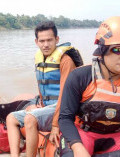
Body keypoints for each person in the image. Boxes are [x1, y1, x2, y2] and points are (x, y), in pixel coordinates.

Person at [6, 21, 83, 157]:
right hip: (48, 107)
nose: (45, 44)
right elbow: (42, 85)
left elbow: (66, 96)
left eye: (49, 40)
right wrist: (41, 105)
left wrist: (55, 125)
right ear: (36, 41)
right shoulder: (39, 58)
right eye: (42, 41)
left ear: (57, 39)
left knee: (30, 119)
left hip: (64, 110)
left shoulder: (65, 61)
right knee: (11, 118)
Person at [59, 16, 120, 157]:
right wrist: (78, 147)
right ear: (102, 49)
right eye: (117, 50)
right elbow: (65, 118)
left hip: (116, 135)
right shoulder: (80, 77)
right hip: (83, 133)